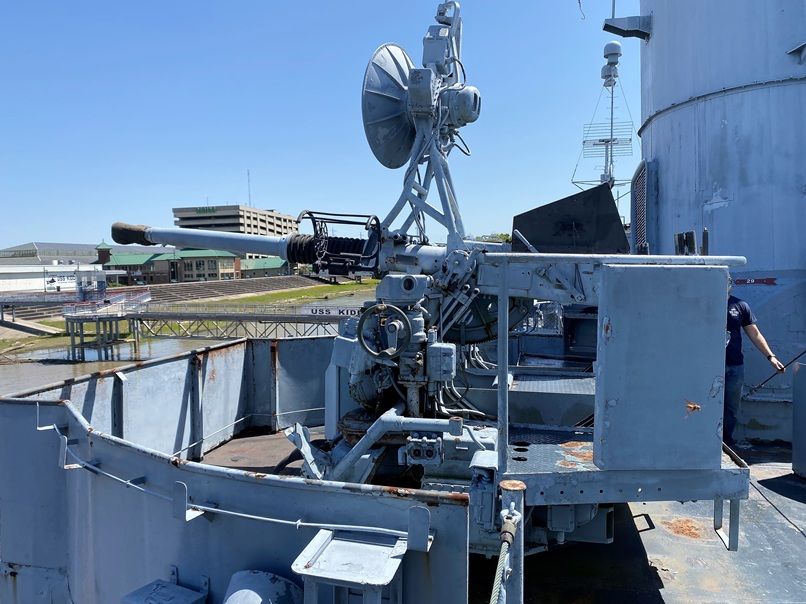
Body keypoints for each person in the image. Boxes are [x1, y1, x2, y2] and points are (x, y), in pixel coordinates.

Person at [723, 278, 785, 446]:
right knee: (707, 402)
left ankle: (726, 442)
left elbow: (754, 334)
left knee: (731, 407)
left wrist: (771, 356)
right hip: (709, 364)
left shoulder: (739, 305)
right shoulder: (704, 302)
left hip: (735, 364)